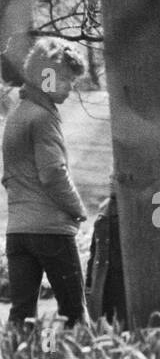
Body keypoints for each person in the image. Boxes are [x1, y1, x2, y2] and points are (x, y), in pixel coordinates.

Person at [2, 37, 89, 327]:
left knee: (22, 315)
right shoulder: (43, 118)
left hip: (17, 232)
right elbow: (52, 173)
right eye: (65, 79)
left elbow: (8, 177)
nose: (69, 86)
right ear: (46, 76)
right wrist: (78, 209)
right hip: (50, 231)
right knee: (73, 313)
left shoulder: (16, 117)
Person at [86, 182, 127, 325]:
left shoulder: (134, 206)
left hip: (122, 277)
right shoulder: (106, 207)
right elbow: (95, 249)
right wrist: (89, 283)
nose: (111, 181)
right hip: (106, 277)